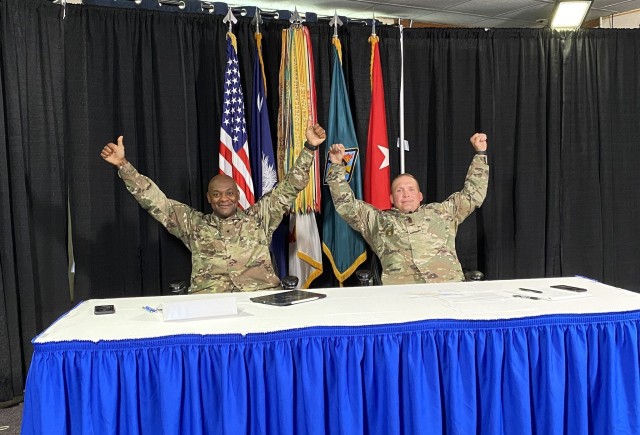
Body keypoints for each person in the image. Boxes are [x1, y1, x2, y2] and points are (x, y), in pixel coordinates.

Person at [100, 124, 327, 294]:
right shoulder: (194, 225)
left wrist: (309, 148)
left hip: (260, 301)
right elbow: (156, 201)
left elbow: (289, 187)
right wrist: (123, 165)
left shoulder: (259, 218)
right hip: (209, 306)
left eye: (229, 193)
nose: (224, 199)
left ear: (238, 195)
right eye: (217, 194)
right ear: (209, 198)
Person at [326, 133, 489, 284]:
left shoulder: (442, 212)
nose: (406, 194)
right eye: (399, 190)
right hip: (402, 297)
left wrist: (480, 154)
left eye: (411, 189)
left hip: (448, 290)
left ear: (420, 196)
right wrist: (336, 165)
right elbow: (346, 204)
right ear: (391, 199)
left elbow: (472, 195)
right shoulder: (377, 220)